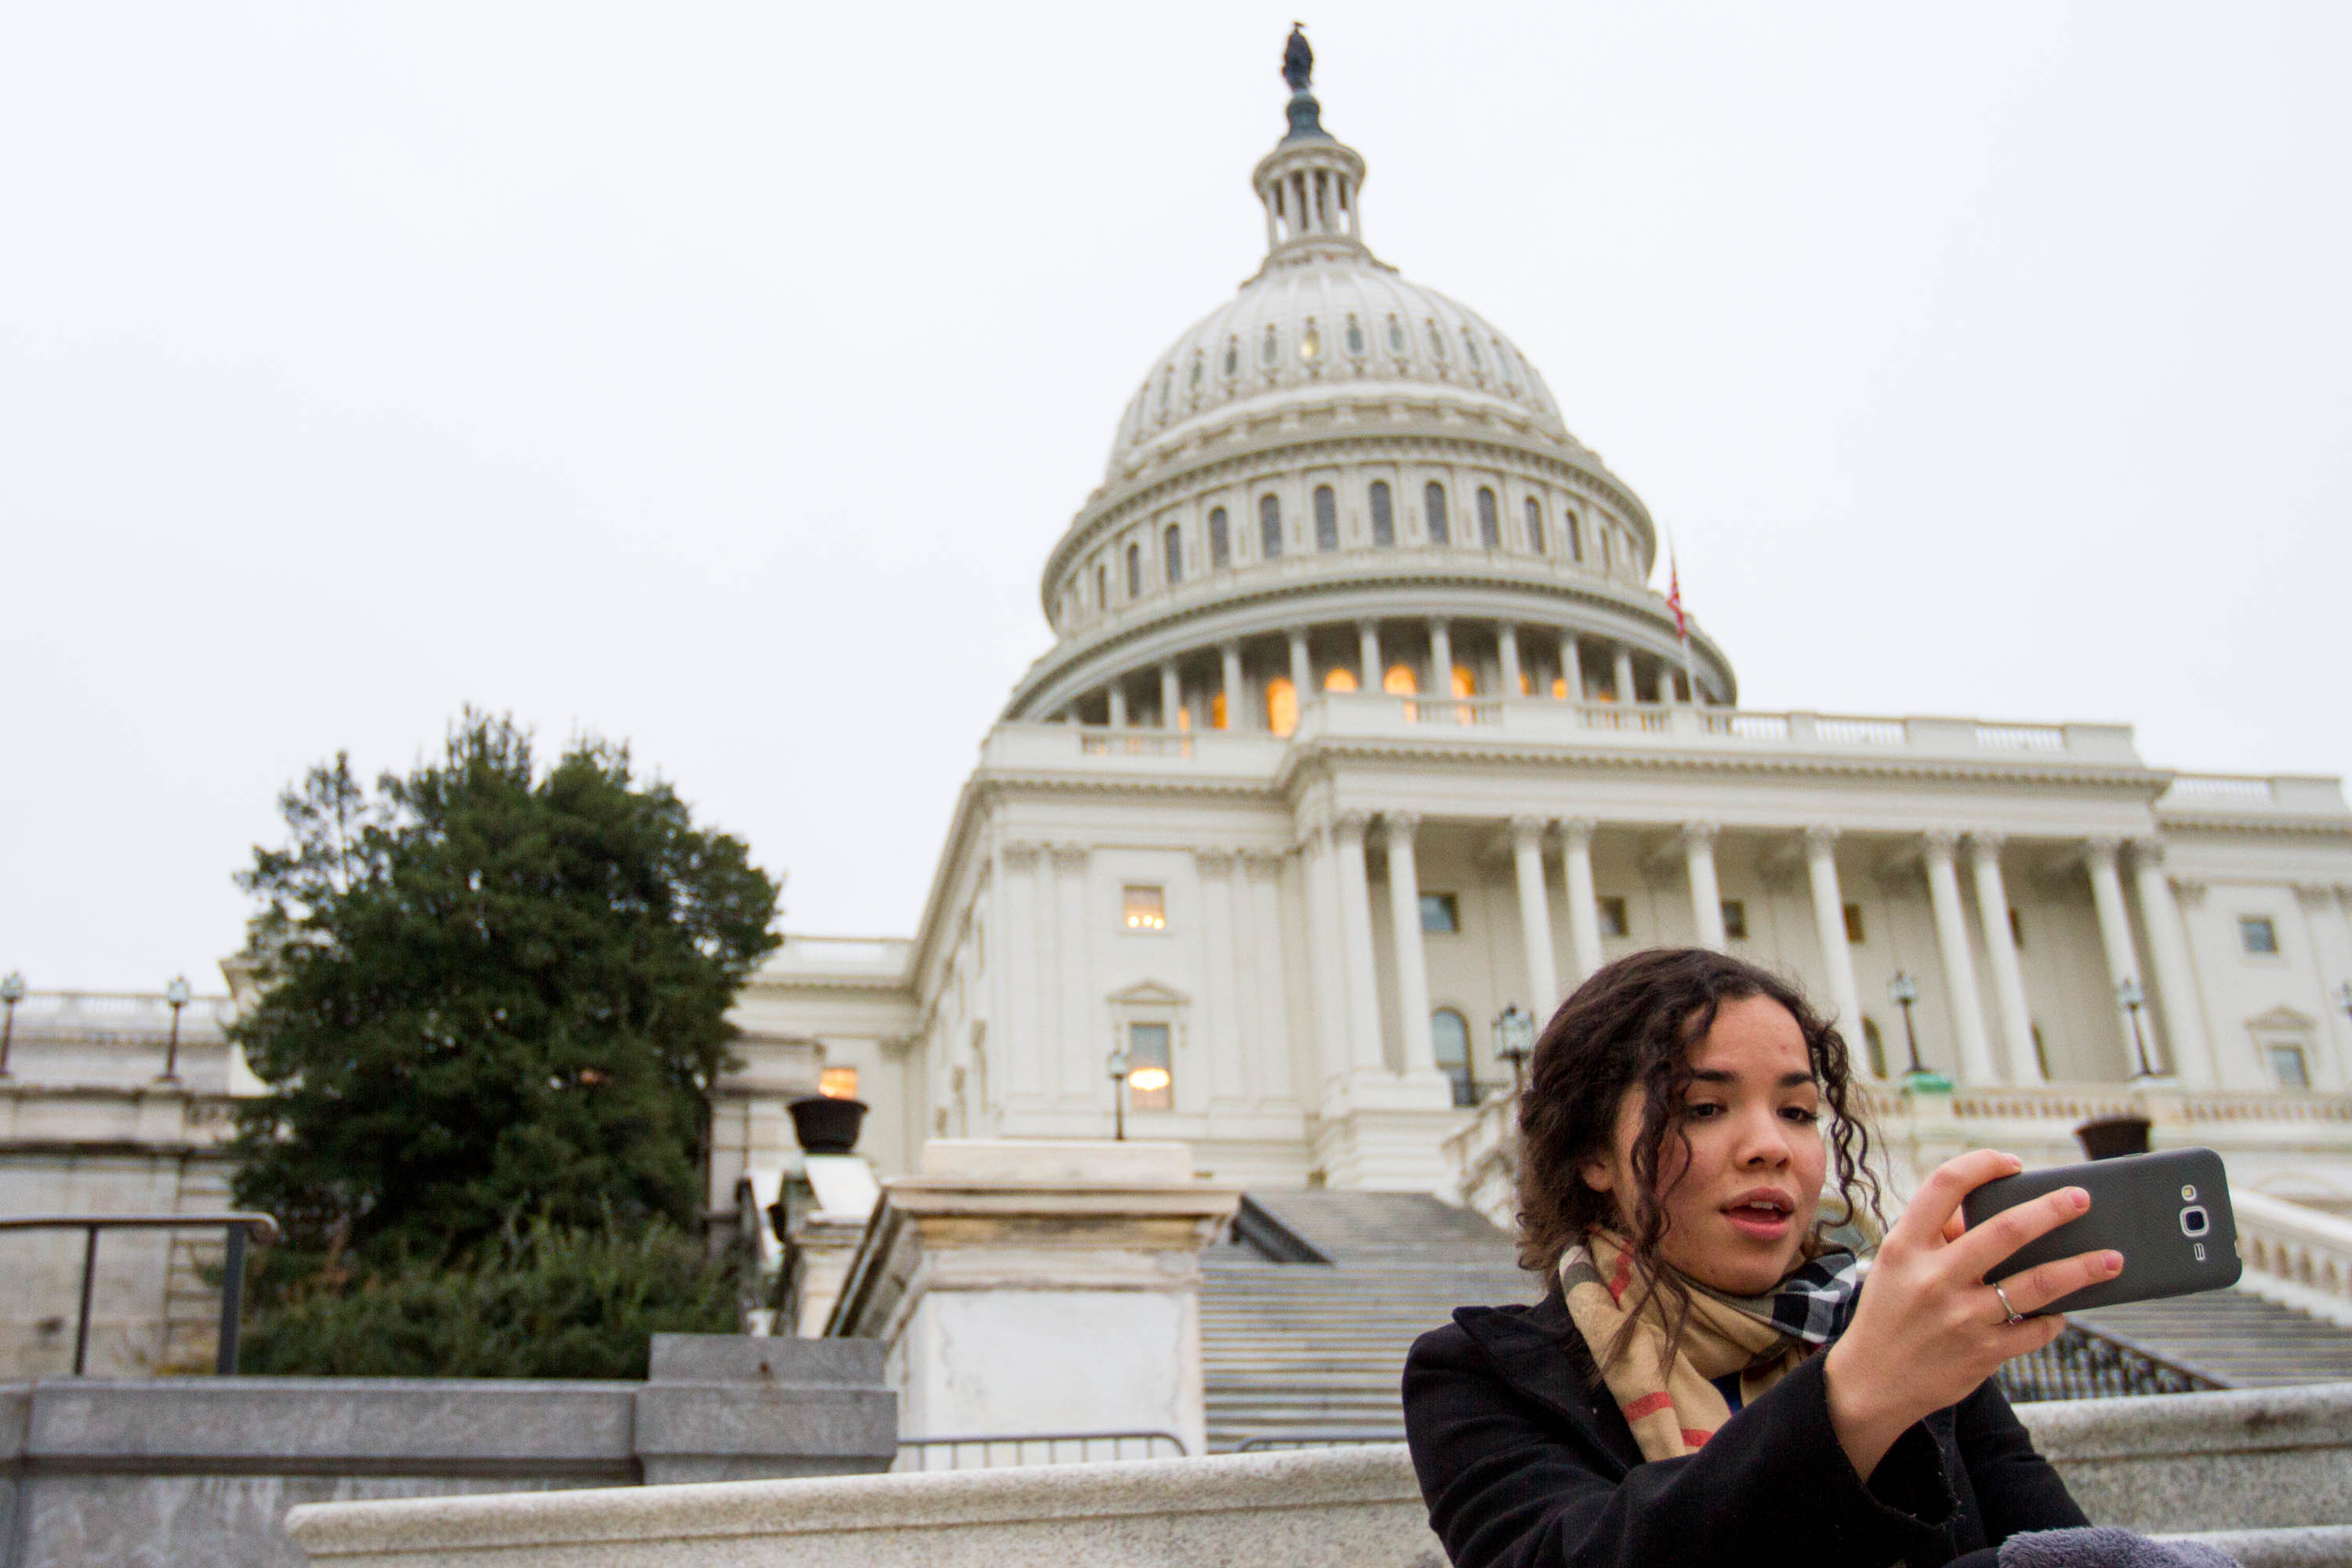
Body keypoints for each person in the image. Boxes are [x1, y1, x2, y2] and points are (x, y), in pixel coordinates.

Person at [1404, 948, 2122, 1568]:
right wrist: (1856, 1398)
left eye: (1799, 1112)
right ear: (1592, 1152)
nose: (1771, 1146)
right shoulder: (1478, 1379)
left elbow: (2065, 1550)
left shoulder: (1899, 1340)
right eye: (1703, 1108)